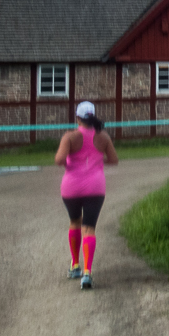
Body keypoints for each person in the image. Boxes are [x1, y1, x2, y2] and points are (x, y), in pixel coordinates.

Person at [55, 101, 118, 289]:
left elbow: (59, 160)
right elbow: (114, 160)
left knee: (75, 222)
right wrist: (96, 163)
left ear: (78, 118)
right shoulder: (104, 137)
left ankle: (75, 265)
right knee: (89, 228)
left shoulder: (70, 137)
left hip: (71, 186)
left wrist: (72, 160)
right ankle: (87, 273)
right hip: (95, 186)